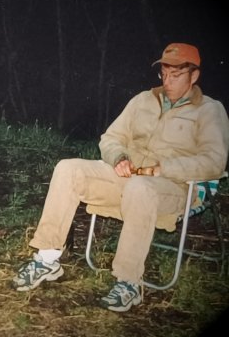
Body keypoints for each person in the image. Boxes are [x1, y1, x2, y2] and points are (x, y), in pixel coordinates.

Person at [12, 42, 229, 312]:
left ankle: (129, 282)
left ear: (194, 76)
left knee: (141, 187)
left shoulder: (209, 110)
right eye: (164, 74)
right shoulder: (142, 100)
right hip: (129, 178)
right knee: (68, 168)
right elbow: (111, 138)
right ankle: (47, 259)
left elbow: (214, 161)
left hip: (173, 189)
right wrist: (119, 158)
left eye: (176, 75)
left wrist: (164, 168)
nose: (168, 81)